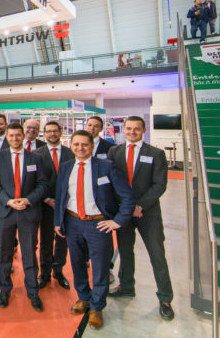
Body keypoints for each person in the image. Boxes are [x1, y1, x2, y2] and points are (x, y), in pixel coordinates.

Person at [54, 130, 134, 330]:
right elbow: (61, 195)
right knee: (77, 263)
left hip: (98, 224)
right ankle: (84, 298)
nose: (80, 148)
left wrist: (117, 221)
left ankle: (97, 306)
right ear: (70, 146)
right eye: (76, 144)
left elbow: (127, 197)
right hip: (72, 222)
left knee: (99, 267)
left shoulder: (106, 167)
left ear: (92, 147)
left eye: (85, 145)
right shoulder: (65, 167)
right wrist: (58, 221)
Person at [108, 116, 174, 321]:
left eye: (136, 129)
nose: (132, 132)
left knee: (157, 254)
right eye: (128, 129)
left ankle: (165, 299)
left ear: (143, 130)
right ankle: (126, 287)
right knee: (125, 252)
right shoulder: (114, 152)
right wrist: (126, 208)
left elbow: (159, 185)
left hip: (148, 213)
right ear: (124, 130)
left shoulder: (155, 153)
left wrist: (140, 205)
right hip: (124, 213)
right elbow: (111, 182)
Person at [0, 122, 48, 312]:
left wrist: (28, 200)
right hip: (5, 212)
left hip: (28, 212)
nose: (15, 138)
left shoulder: (35, 158)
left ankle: (32, 290)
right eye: (11, 135)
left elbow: (43, 185)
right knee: (5, 253)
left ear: (23, 136)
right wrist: (8, 200)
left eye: (18, 135)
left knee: (30, 253)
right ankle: (5, 289)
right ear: (7, 137)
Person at [35, 121, 71, 289]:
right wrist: (46, 199)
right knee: (46, 240)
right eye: (48, 132)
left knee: (63, 239)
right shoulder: (36, 154)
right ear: (44, 134)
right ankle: (45, 273)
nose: (52, 134)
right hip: (46, 204)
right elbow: (33, 181)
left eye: (55, 131)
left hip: (66, 206)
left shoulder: (70, 153)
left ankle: (59, 270)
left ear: (60, 132)